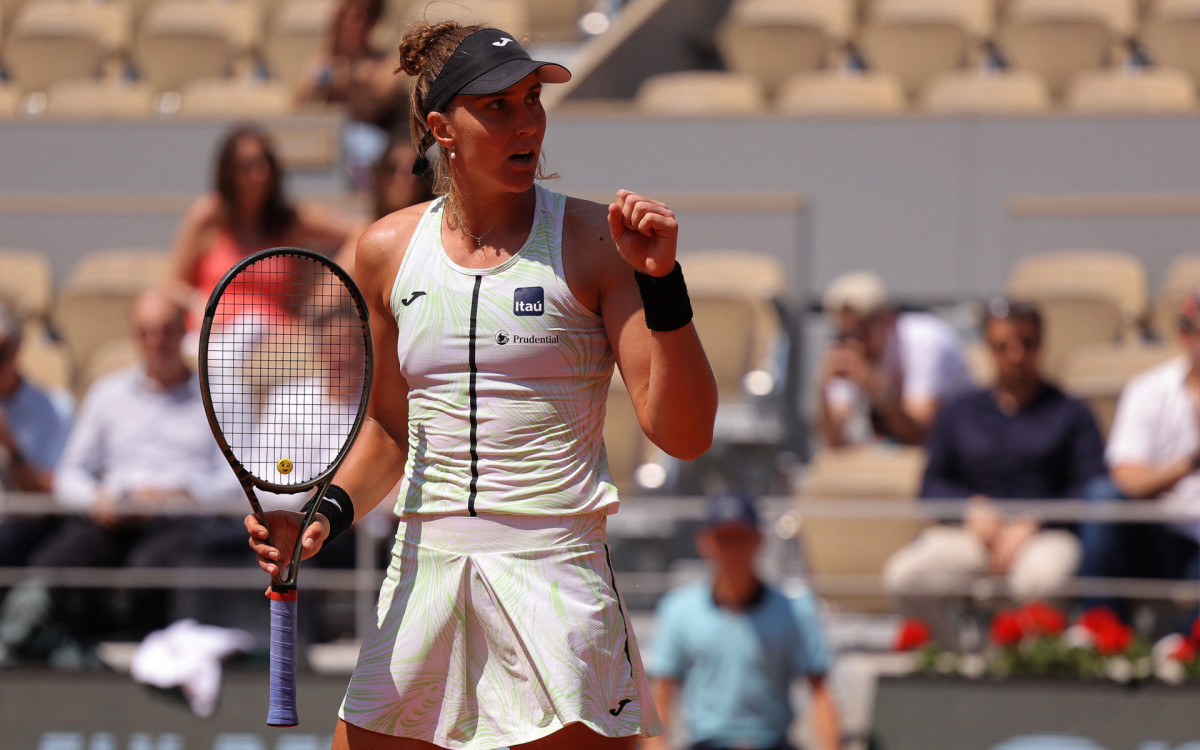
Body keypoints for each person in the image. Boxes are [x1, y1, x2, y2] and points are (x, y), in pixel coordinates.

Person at [246, 21, 718, 750]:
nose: (526, 121)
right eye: (497, 106)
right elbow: (391, 433)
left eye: (532, 99)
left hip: (556, 579)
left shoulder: (598, 243)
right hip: (423, 576)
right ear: (443, 128)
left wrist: (664, 286)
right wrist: (322, 516)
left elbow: (684, 433)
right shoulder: (383, 251)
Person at [0, 290, 244, 662]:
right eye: (146, 332)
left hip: (182, 521)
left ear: (183, 332)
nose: (156, 342)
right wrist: (98, 500)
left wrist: (184, 494)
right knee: (56, 560)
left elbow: (240, 478)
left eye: (165, 330)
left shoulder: (220, 397)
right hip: (111, 516)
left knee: (148, 569)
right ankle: (34, 633)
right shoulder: (107, 394)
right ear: (135, 337)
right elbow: (71, 474)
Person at [882, 299, 1107, 612]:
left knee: (1041, 581)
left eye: (1026, 344)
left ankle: (1025, 662)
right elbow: (930, 485)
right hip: (972, 534)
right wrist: (970, 508)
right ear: (988, 348)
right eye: (1003, 346)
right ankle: (950, 660)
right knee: (906, 576)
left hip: (1044, 535)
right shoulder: (960, 411)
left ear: (1042, 345)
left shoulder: (1071, 412)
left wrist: (1037, 520)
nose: (1016, 356)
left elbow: (1090, 487)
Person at [644, 493, 840, 750]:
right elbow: (662, 694)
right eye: (724, 539)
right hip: (707, 743)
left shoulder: (794, 610)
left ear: (758, 541)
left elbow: (820, 691)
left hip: (773, 742)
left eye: (740, 538)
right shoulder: (679, 610)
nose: (732, 550)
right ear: (706, 542)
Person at [166, 124, 364, 329]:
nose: (258, 175)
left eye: (264, 163)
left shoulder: (290, 219)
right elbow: (172, 285)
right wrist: (199, 306)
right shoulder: (208, 215)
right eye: (246, 166)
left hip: (275, 344)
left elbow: (362, 230)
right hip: (215, 340)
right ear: (228, 172)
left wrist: (322, 301)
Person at [1080, 286, 1200, 622]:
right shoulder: (1148, 391)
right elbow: (1126, 479)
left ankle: (1188, 654)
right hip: (1157, 533)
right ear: (1184, 335)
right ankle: (1104, 636)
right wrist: (1189, 464)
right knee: (1101, 496)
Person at [817, 270, 972, 448]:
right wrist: (823, 386)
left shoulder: (925, 341)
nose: (855, 340)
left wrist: (874, 385)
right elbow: (833, 440)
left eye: (862, 329)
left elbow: (918, 432)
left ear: (887, 319)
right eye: (846, 331)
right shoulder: (849, 348)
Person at [293, 0, 409, 193]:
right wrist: (331, 53)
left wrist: (348, 80)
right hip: (331, 137)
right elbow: (298, 106)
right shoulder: (324, 61)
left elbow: (371, 110)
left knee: (367, 151)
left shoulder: (384, 62)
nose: (354, 24)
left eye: (361, 17)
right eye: (348, 17)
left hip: (373, 141)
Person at [0, 300, 72, 569]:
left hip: (21, 527)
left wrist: (10, 445)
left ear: (16, 349)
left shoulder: (55, 408)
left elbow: (52, 500)